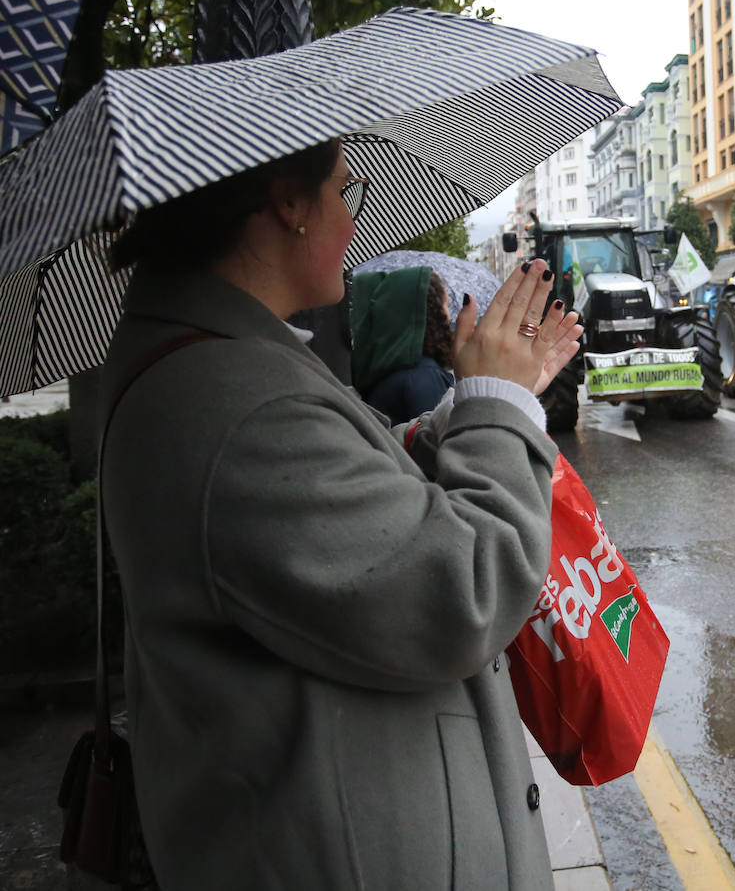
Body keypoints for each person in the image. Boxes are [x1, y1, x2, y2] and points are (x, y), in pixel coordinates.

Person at [98, 137, 582, 891]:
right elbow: (467, 589)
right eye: (343, 193)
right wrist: (504, 409)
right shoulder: (234, 406)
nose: (355, 224)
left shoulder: (228, 365)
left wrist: (471, 408)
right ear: (287, 203)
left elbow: (349, 480)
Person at [351, 266, 456, 424]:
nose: (449, 317)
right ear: (433, 314)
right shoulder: (424, 376)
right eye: (446, 306)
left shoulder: (384, 371)